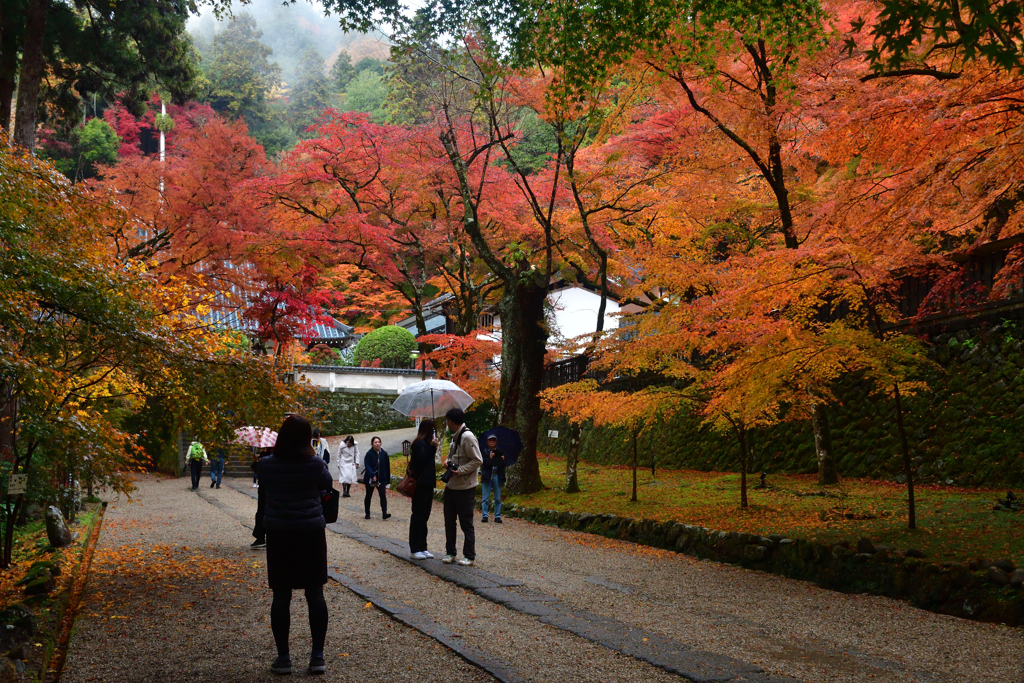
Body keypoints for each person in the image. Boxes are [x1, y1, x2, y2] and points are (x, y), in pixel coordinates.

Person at [258, 415, 333, 676]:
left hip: (279, 534)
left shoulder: (267, 465)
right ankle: (317, 656)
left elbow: (265, 490)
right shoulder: (315, 463)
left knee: (281, 595)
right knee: (315, 594)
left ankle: (283, 657)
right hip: (310, 532)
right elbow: (327, 484)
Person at [441, 408, 482, 566]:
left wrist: (460, 471)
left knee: (466, 522)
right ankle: (450, 552)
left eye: (447, 421)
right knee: (449, 521)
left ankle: (469, 555)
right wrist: (447, 461)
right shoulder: (455, 437)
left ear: (451, 421)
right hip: (452, 486)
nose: (446, 424)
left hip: (465, 487)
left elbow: (478, 460)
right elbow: (453, 456)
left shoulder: (467, 437)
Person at [408, 419, 438, 560]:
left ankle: (423, 546)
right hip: (420, 484)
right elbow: (421, 462)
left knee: (425, 516)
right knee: (418, 515)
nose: (434, 433)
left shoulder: (427, 444)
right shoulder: (419, 444)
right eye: (432, 430)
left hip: (427, 484)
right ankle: (415, 548)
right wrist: (433, 448)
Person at [362, 436, 391, 520]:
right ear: (372, 444)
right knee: (368, 495)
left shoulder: (384, 453)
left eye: (379, 442)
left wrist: (387, 480)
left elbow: (387, 467)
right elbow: (367, 466)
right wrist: (372, 475)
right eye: (375, 442)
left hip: (381, 478)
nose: (377, 444)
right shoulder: (369, 454)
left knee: (382, 495)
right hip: (370, 478)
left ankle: (384, 513)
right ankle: (367, 513)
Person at [480, 435, 505, 523]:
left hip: (497, 475)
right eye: (490, 440)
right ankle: (485, 515)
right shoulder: (484, 452)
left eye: (494, 440)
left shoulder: (500, 451)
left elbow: (502, 466)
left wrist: (502, 460)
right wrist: (490, 458)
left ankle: (497, 516)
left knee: (498, 498)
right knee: (485, 498)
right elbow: (484, 465)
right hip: (487, 476)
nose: (492, 442)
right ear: (487, 442)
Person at [251, 447, 273, 550]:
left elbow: (258, 470)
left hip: (265, 488)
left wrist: (255, 462)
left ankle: (260, 537)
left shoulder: (265, 458)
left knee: (261, 512)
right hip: (271, 488)